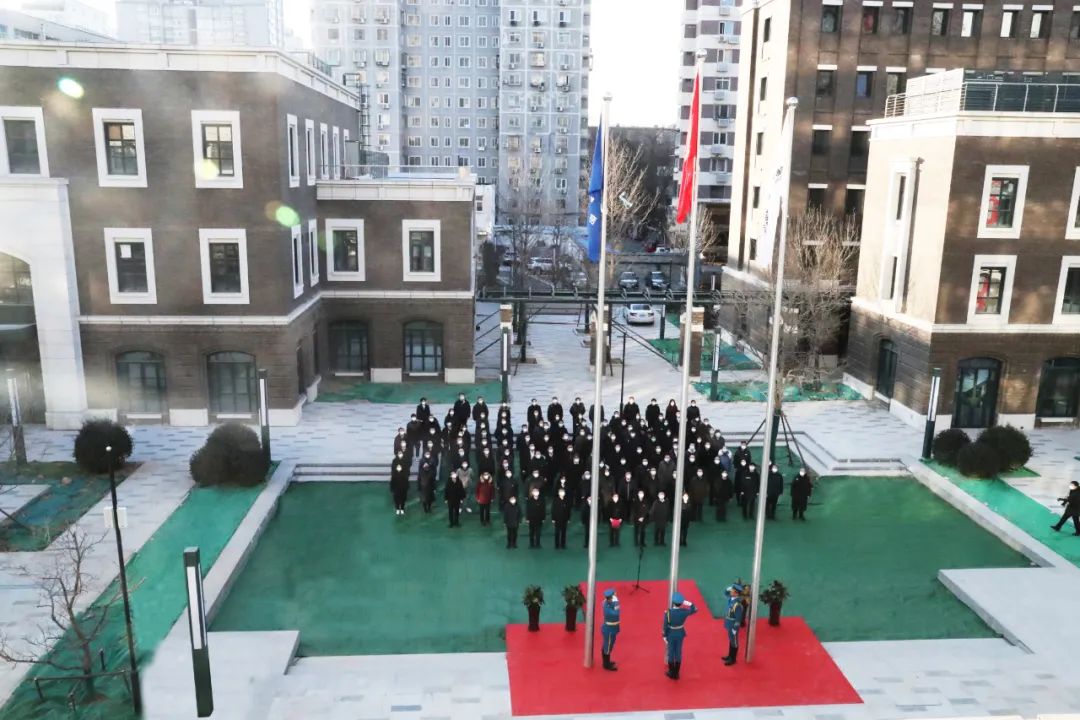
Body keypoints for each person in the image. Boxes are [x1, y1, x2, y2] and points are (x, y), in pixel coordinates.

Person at [662, 592, 697, 680]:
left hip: (671, 634)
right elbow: (694, 609)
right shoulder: (684, 612)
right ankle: (677, 673)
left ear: (673, 602)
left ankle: (671, 672)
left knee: (671, 653)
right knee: (678, 652)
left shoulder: (668, 613)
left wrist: (664, 635)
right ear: (681, 603)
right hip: (680, 633)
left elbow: (665, 626)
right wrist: (688, 603)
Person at [722, 583, 746, 666]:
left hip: (733, 625)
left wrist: (735, 629)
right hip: (729, 624)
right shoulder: (732, 599)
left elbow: (738, 618)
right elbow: (725, 593)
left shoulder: (737, 604)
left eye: (732, 591)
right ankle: (729, 656)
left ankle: (733, 659)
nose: (730, 591)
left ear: (736, 593)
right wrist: (728, 588)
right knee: (731, 640)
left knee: (734, 642)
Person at [601, 588, 620, 671]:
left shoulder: (610, 603)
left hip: (613, 628)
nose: (612, 599)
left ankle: (607, 661)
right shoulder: (607, 608)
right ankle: (606, 664)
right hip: (609, 629)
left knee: (610, 645)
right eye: (611, 598)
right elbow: (616, 614)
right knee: (608, 646)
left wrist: (615, 603)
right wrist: (616, 603)